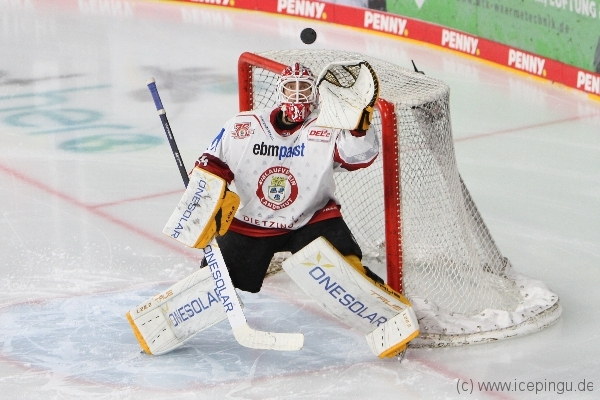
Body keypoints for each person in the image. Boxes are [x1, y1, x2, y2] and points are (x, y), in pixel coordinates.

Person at [194, 62, 382, 293]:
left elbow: (358, 157)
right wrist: (209, 193)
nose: (297, 94)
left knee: (345, 271)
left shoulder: (328, 126)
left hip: (310, 219)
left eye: (304, 88)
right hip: (250, 223)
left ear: (315, 94)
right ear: (279, 91)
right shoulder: (244, 125)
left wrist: (358, 126)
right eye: (291, 87)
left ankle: (373, 296)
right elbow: (211, 162)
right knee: (215, 285)